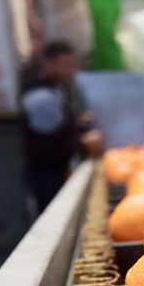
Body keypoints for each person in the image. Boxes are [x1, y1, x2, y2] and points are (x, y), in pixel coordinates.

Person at [22, 41, 104, 213]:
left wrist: (76, 123)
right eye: (65, 65)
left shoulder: (57, 89)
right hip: (47, 176)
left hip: (55, 171)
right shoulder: (41, 98)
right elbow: (47, 145)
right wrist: (81, 141)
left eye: (73, 65)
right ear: (47, 63)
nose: (71, 71)